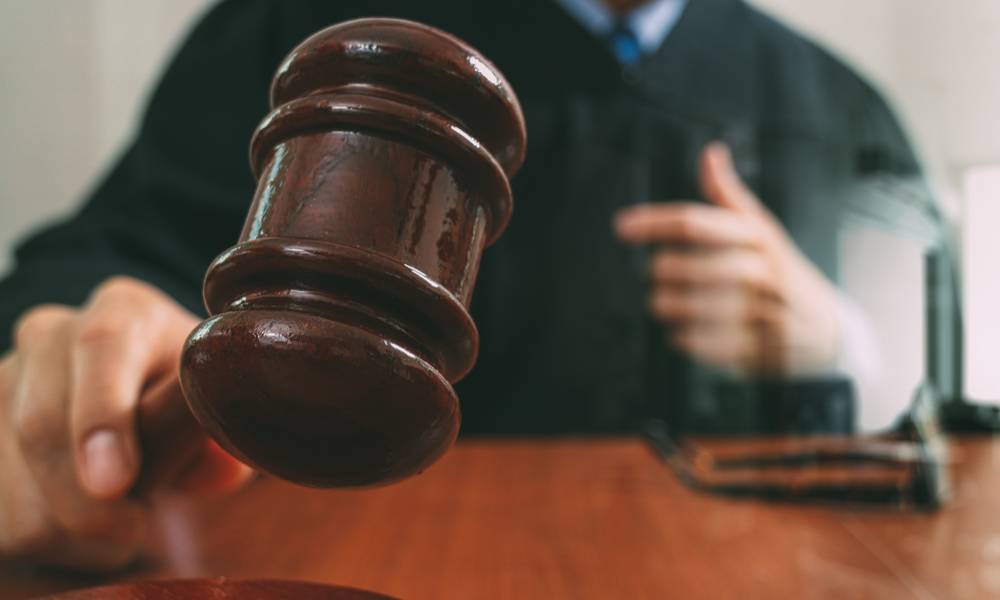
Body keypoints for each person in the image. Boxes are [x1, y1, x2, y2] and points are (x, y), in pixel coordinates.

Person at [0, 0, 923, 569]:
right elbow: (111, 252)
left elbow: (944, 379)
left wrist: (842, 341)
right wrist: (71, 357)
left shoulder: (839, 107)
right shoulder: (305, 26)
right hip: (345, 553)